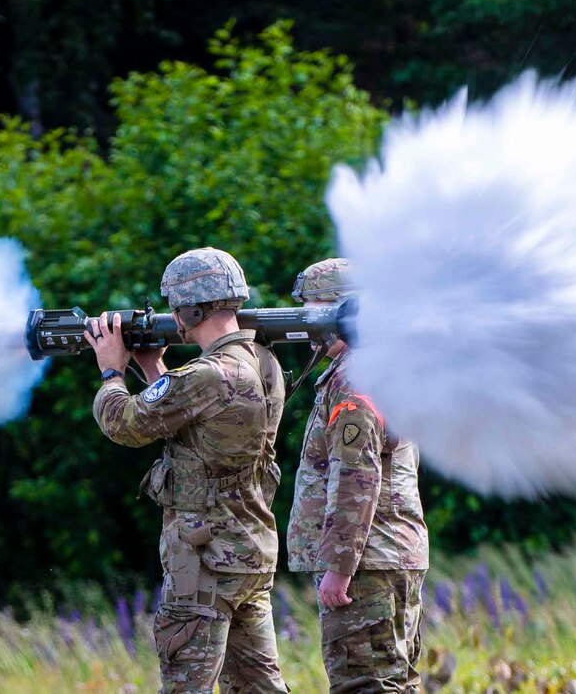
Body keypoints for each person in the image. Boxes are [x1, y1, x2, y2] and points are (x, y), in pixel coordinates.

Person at [85, 247, 289, 694]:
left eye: (176, 305)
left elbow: (124, 423)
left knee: (185, 687)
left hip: (203, 563)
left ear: (191, 307)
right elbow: (199, 430)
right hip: (247, 552)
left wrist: (110, 371)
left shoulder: (209, 374)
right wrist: (152, 368)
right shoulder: (262, 363)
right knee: (259, 688)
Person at [285, 258, 430, 693]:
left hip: (368, 564)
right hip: (389, 555)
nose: (304, 324)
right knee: (393, 682)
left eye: (311, 310)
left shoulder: (354, 379)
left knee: (364, 685)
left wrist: (340, 566)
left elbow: (355, 476)